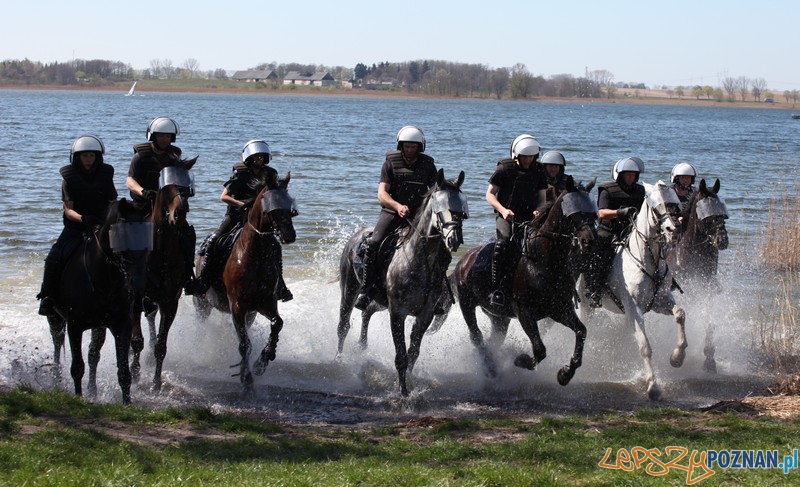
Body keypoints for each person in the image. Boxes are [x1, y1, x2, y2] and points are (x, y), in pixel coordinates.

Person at [191, 139, 292, 301]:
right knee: (213, 240)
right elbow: (223, 196)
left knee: (275, 246)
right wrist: (242, 205)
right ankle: (203, 281)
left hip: (258, 220)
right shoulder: (240, 173)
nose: (259, 159)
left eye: (262, 156)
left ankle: (280, 286)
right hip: (235, 216)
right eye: (256, 156)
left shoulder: (270, 174)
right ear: (249, 157)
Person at [354, 125, 439, 311]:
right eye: (406, 146)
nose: (409, 150)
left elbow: (436, 194)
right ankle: (367, 290)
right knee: (374, 243)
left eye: (413, 147)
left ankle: (437, 294)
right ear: (401, 146)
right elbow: (381, 194)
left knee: (441, 248)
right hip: (392, 212)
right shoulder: (390, 163)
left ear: (420, 147)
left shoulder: (428, 166)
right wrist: (397, 206)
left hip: (418, 216)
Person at [37, 134, 117, 316]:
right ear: (77, 157)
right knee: (53, 258)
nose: (88, 159)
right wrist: (83, 218)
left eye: (92, 156)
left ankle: (137, 297)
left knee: (129, 252)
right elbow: (68, 210)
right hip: (76, 227)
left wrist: (113, 216)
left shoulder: (106, 174)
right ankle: (47, 297)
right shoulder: (69, 177)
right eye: (84, 156)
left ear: (98, 157)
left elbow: (113, 200)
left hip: (102, 226)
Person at [125, 116, 197, 299]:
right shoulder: (140, 155)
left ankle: (188, 275)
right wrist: (143, 192)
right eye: (161, 136)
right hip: (142, 204)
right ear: (153, 136)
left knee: (187, 233)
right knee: (124, 234)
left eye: (167, 136)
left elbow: (180, 178)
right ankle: (124, 277)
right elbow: (129, 180)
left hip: (166, 206)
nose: (164, 139)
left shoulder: (174, 156)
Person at [485, 134, 548, 306]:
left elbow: (543, 199)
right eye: (525, 156)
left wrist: (539, 210)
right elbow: (490, 195)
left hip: (530, 216)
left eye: (531, 156)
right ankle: (496, 290)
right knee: (504, 242)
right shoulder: (504, 169)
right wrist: (503, 210)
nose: (528, 160)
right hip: (506, 214)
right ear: (516, 155)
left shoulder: (539, 170)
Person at [585, 157, 646, 307]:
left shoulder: (641, 190)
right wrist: (620, 212)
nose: (631, 177)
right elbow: (601, 213)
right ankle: (594, 290)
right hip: (609, 231)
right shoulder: (607, 190)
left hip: (633, 231)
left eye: (633, 175)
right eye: (627, 174)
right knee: (600, 255)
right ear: (620, 175)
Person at [670, 162, 697, 227]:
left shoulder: (696, 194)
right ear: (676, 179)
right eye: (682, 177)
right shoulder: (668, 193)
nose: (686, 180)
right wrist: (676, 220)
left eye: (688, 178)